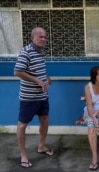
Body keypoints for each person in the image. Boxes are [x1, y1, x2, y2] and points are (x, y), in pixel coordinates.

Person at [14, 27, 53, 168]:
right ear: (32, 38)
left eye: (45, 37)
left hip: (43, 95)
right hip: (28, 97)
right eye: (40, 36)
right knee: (22, 125)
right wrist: (38, 81)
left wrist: (46, 77)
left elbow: (38, 69)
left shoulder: (40, 51)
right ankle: (24, 155)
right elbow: (18, 71)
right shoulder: (26, 52)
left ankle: (41, 146)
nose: (43, 39)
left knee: (44, 119)